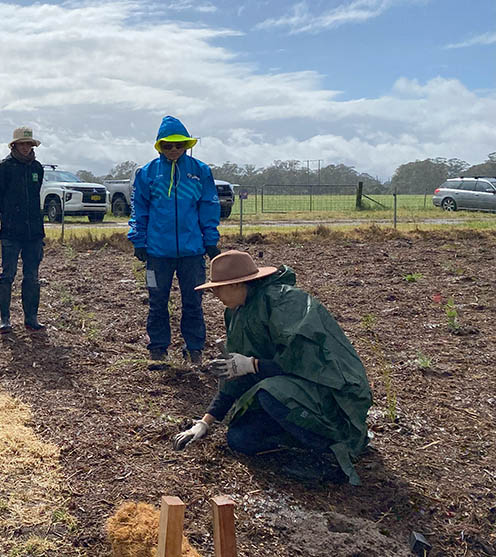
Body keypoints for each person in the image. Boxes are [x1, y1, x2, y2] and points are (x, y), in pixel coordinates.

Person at [171, 250, 373, 485]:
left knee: (270, 392)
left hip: (331, 393)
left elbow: (305, 362)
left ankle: (332, 455)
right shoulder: (237, 312)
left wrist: (252, 365)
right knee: (240, 439)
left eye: (218, 287)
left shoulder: (285, 303)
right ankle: (300, 439)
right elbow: (235, 374)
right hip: (293, 389)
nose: (214, 293)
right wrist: (204, 423)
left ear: (238, 284)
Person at [128, 115, 220, 365]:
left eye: (179, 145)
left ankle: (194, 349)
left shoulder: (200, 172)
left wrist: (210, 241)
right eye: (168, 145)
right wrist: (139, 239)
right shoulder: (147, 174)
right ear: (160, 146)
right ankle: (158, 349)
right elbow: (139, 209)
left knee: (193, 301)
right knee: (157, 302)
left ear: (187, 146)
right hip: (158, 253)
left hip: (192, 252)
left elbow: (208, 207)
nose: (174, 150)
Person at [0, 126, 46, 333]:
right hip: (11, 232)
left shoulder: (37, 168)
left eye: (29, 144)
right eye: (22, 144)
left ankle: (31, 317)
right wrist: (10, 213)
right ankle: (5, 319)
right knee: (8, 274)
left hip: (34, 232)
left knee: (32, 276)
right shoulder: (5, 168)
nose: (26, 148)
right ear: (15, 145)